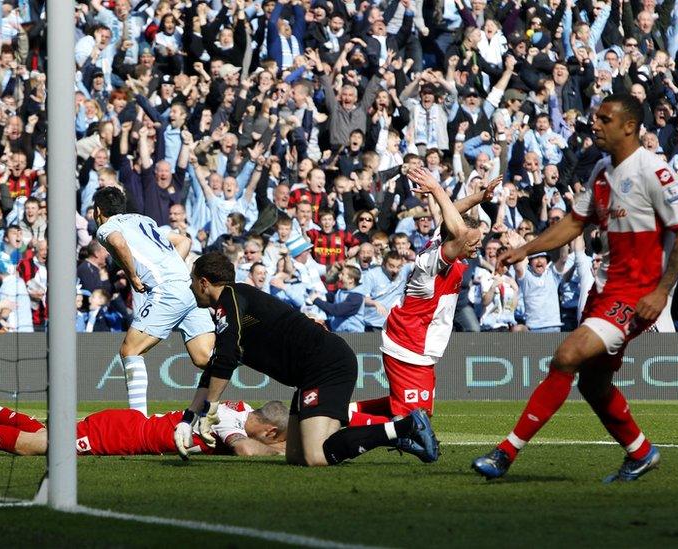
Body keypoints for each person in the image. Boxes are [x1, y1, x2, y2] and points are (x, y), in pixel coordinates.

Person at [473, 95, 678, 482]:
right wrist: (524, 247)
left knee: (567, 354)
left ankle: (504, 454)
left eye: (605, 119)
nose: (596, 125)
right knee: (592, 383)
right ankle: (641, 452)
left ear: (628, 126)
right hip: (604, 291)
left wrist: (661, 292)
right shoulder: (602, 172)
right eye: (594, 118)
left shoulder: (655, 172)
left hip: (636, 293)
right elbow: (574, 222)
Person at [178, 251, 438, 467]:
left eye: (192, 281)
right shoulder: (233, 304)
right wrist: (188, 419)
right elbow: (216, 364)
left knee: (316, 456)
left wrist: (210, 409)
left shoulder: (231, 299)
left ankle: (405, 427)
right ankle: (401, 434)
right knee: (296, 457)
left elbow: (226, 357)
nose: (190, 288)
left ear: (203, 282)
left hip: (326, 365)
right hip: (310, 372)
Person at [348, 168, 496, 440]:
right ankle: (332, 421)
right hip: (409, 343)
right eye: (475, 241)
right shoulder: (433, 264)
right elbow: (459, 232)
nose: (477, 246)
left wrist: (479, 197)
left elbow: (450, 221)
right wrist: (437, 189)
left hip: (417, 343)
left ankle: (345, 413)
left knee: (416, 414)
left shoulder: (439, 244)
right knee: (413, 424)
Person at [92, 186, 215, 416]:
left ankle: (137, 422)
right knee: (205, 358)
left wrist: (133, 275)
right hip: (189, 287)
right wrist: (171, 270)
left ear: (98, 211)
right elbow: (185, 241)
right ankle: (221, 411)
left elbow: (118, 243)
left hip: (167, 291)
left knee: (130, 351)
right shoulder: (143, 220)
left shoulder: (106, 228)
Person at [0, 388, 287, 458]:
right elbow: (243, 449)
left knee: (45, 433)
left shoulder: (243, 406)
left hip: (128, 426)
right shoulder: (228, 422)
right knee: (38, 446)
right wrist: (282, 451)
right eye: (275, 438)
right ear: (269, 431)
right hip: (122, 436)